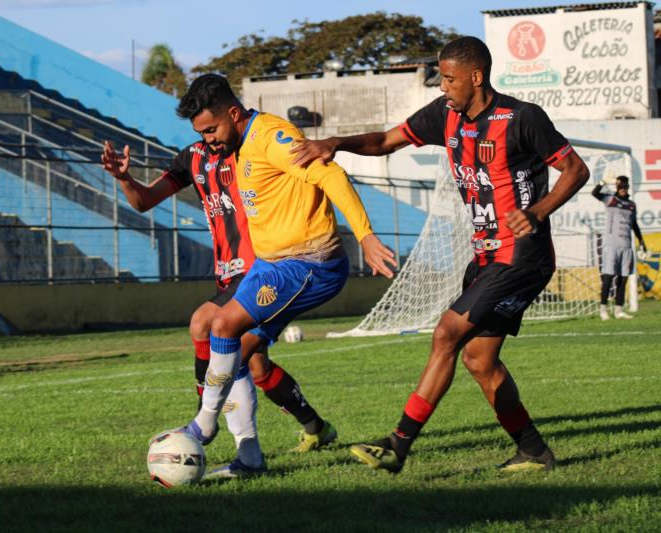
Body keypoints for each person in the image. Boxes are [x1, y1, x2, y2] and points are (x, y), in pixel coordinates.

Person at [291, 36, 590, 473]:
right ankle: (534, 451)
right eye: (439, 77)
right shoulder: (443, 116)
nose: (442, 86)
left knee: (446, 333)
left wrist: (538, 211)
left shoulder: (522, 117)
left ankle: (398, 445)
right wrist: (337, 141)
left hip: (523, 257)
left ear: (476, 76)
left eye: (449, 78)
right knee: (479, 360)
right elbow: (386, 141)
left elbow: (576, 169)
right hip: (486, 256)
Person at [175, 74, 397, 470]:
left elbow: (331, 175)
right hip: (271, 265)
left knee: (223, 327)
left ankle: (203, 425)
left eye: (212, 129)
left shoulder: (273, 137)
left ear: (233, 112)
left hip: (309, 263)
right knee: (237, 351)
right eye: (201, 133)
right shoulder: (240, 145)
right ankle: (250, 457)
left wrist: (364, 236)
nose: (208, 139)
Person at [101, 139, 338, 478]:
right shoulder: (193, 158)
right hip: (228, 275)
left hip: (262, 270)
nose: (211, 135)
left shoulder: (252, 150)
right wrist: (124, 178)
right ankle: (315, 427)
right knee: (256, 367)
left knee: (204, 323)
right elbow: (144, 201)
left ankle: (205, 421)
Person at [591, 176, 646, 320]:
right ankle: (603, 309)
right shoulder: (610, 200)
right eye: (620, 187)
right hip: (611, 245)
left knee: (623, 279)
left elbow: (634, 225)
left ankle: (618, 310)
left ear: (627, 188)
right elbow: (595, 193)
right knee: (608, 277)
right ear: (617, 188)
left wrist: (641, 241)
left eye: (625, 187)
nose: (623, 190)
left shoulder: (631, 205)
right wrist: (602, 182)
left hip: (626, 246)